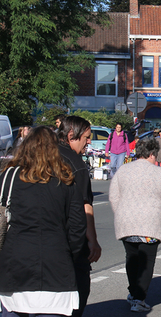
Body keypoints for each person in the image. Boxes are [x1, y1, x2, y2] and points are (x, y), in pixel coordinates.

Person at [0, 126, 86, 317]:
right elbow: (78, 228)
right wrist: (72, 254)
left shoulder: (9, 177)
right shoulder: (66, 180)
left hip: (15, 263)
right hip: (56, 264)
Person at [109, 137, 161, 312]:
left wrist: (120, 213)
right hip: (149, 223)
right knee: (146, 261)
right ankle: (139, 298)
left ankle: (133, 291)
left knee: (131, 258)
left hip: (126, 221)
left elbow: (113, 196)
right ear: (152, 154)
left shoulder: (124, 170)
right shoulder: (158, 173)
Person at [57, 116, 101, 317]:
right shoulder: (77, 165)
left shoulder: (45, 156)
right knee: (78, 291)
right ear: (71, 135)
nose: (89, 142)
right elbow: (86, 205)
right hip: (70, 239)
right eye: (86, 137)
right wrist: (92, 240)